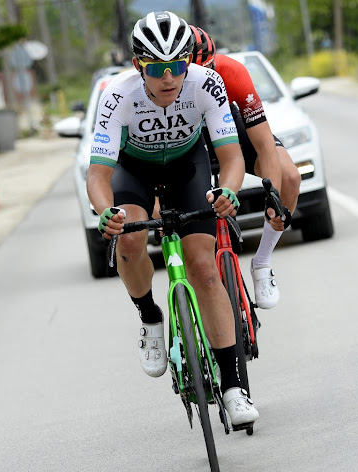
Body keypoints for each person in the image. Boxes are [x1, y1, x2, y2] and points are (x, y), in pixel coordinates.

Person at [86, 11, 258, 426]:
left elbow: (231, 157)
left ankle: (234, 388)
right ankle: (149, 317)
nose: (168, 78)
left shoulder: (206, 84)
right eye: (157, 69)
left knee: (203, 266)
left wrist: (229, 191)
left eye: (177, 67)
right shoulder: (117, 96)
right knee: (128, 239)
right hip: (135, 170)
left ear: (189, 64)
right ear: (138, 66)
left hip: (187, 167)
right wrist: (105, 211)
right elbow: (98, 175)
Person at [191, 25, 303, 310]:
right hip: (189, 140)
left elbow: (265, 145)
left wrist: (273, 197)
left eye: (211, 70)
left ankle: (262, 261)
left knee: (289, 175)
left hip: (231, 128)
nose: (206, 79)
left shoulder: (233, 72)